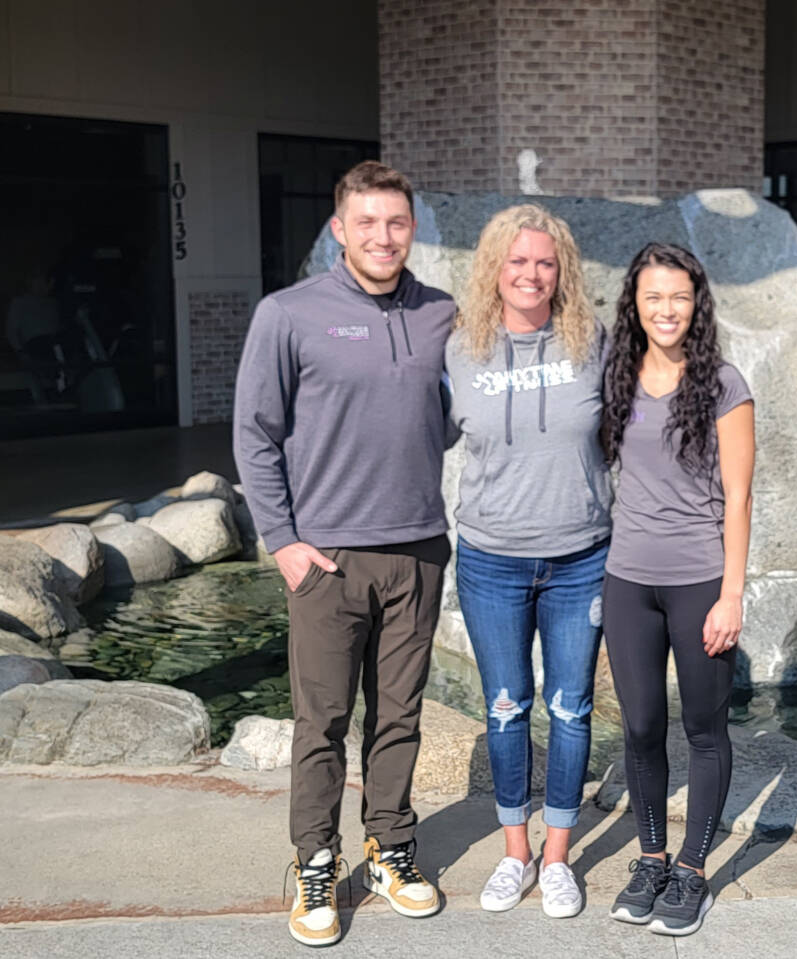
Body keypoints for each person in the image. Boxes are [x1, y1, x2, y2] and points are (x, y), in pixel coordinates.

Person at [233, 161, 454, 948]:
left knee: (400, 715)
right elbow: (254, 434)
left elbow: (460, 414)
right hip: (326, 559)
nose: (383, 236)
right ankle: (315, 860)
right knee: (321, 720)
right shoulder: (288, 314)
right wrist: (283, 542)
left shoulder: (441, 313)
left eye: (395, 222)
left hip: (420, 550)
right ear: (339, 227)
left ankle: (391, 845)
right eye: (367, 222)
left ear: (412, 228)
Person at [444, 204, 611, 919]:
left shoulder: (593, 342)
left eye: (545, 262)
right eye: (517, 261)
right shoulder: (459, 348)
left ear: (561, 269)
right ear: (494, 268)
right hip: (491, 561)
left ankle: (557, 856)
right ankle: (516, 853)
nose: (532, 274)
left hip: (581, 559)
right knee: (507, 708)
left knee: (571, 708)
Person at [598, 242, 755, 937]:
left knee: (702, 727)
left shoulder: (724, 383)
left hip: (698, 580)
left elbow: (741, 496)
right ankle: (652, 857)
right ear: (635, 302)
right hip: (629, 578)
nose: (667, 309)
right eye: (654, 296)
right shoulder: (618, 374)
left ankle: (693, 869)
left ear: (698, 302)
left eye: (679, 296)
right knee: (638, 726)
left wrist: (732, 593)